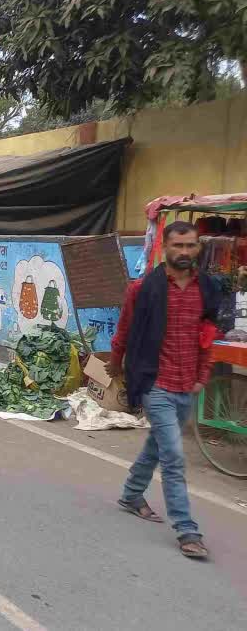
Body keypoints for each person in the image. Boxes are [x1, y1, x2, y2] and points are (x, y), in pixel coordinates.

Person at [109, 221, 219, 559]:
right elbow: (124, 332)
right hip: (155, 382)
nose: (184, 252)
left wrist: (203, 375)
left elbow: (207, 336)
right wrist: (115, 368)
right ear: (165, 247)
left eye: (190, 246)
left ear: (198, 248)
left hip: (188, 384)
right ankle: (187, 530)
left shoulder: (208, 289)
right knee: (173, 456)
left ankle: (130, 495)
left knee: (157, 447)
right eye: (178, 246)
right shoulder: (143, 289)